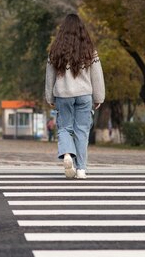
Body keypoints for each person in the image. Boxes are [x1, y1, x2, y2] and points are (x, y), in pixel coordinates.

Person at [45, 13, 105, 179]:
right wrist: (99, 97)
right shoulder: (89, 51)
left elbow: (49, 77)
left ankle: (66, 154)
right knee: (82, 131)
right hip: (84, 95)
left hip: (63, 95)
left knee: (65, 128)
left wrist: (50, 97)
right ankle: (81, 169)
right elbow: (97, 75)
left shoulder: (55, 52)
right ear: (81, 30)